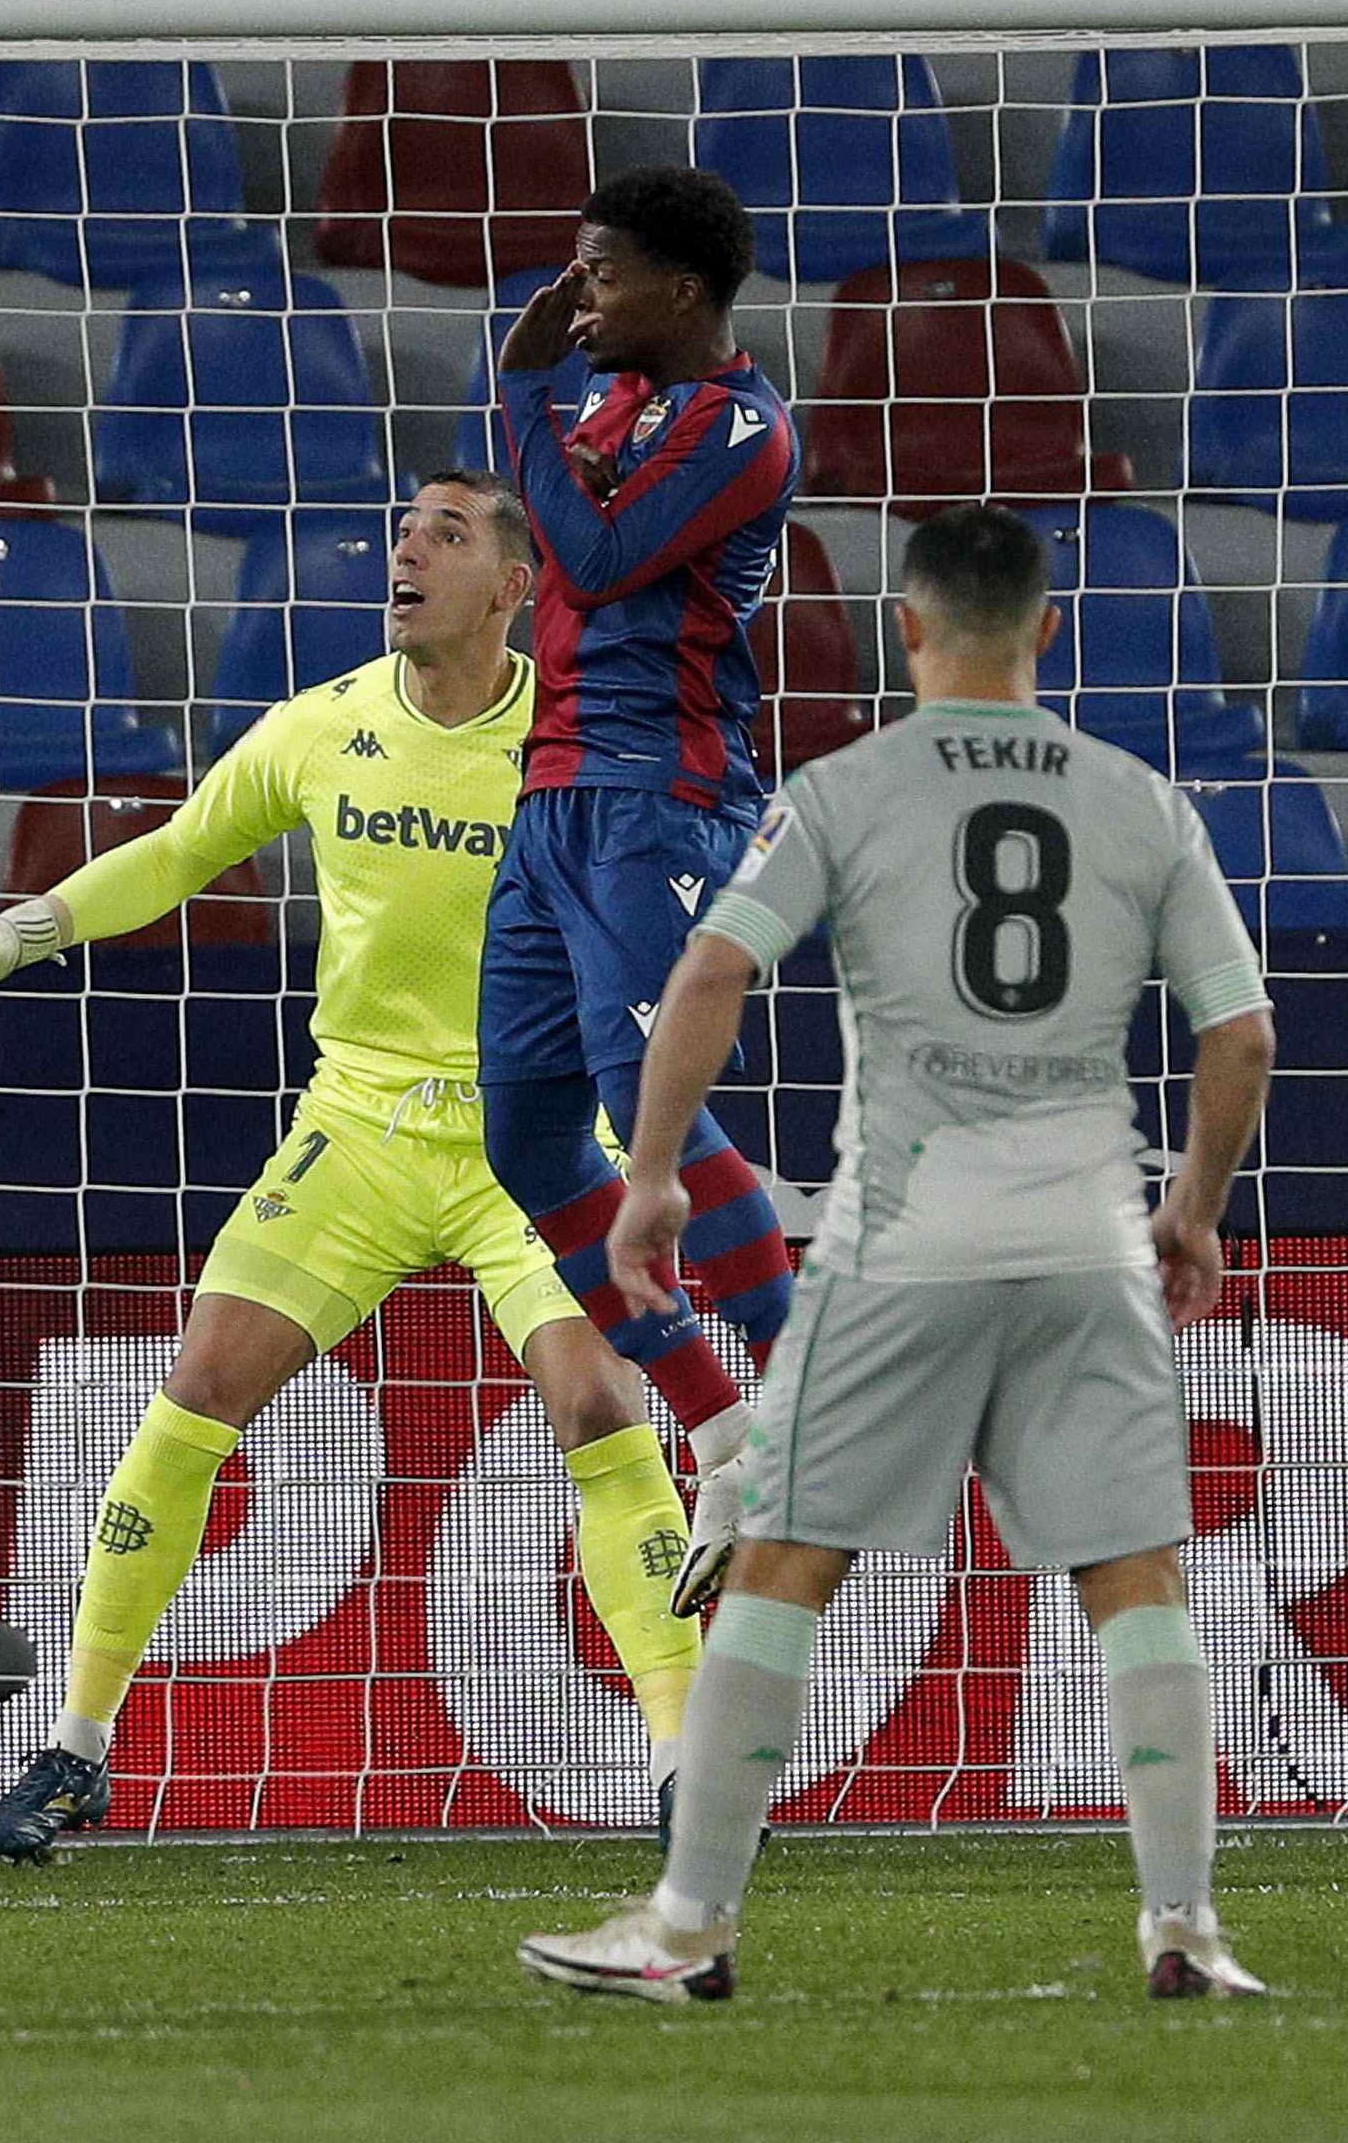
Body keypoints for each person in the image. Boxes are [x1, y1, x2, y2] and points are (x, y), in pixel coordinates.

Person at [517, 506, 1279, 2005]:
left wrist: (653, 1175)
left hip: (902, 1246)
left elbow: (711, 968)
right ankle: (1183, 1924)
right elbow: (1241, 1031)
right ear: (1044, 630)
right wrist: (1191, 1208)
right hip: (1087, 1247)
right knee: (1137, 1578)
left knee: (784, 1562)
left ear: (907, 630)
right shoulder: (1140, 800)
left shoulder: (842, 790)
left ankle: (688, 1925)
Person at [0, 474, 710, 1862]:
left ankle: (680, 1758)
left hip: (531, 1133)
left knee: (596, 1404)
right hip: (358, 1128)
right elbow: (180, 850)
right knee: (194, 1391)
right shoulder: (323, 724)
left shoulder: (574, 746)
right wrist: (16, 933)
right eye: (404, 531)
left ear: (512, 585)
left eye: (445, 535)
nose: (406, 550)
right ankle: (75, 1748)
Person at [476, 165, 808, 1614]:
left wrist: (519, 394)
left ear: (681, 288)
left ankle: (802, 1400)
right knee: (526, 1132)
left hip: (658, 792)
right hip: (551, 796)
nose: (578, 295)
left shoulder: (744, 427)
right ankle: (722, 1430)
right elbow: (563, 523)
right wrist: (554, 422)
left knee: (638, 1090)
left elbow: (598, 554)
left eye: (602, 272)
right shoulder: (615, 402)